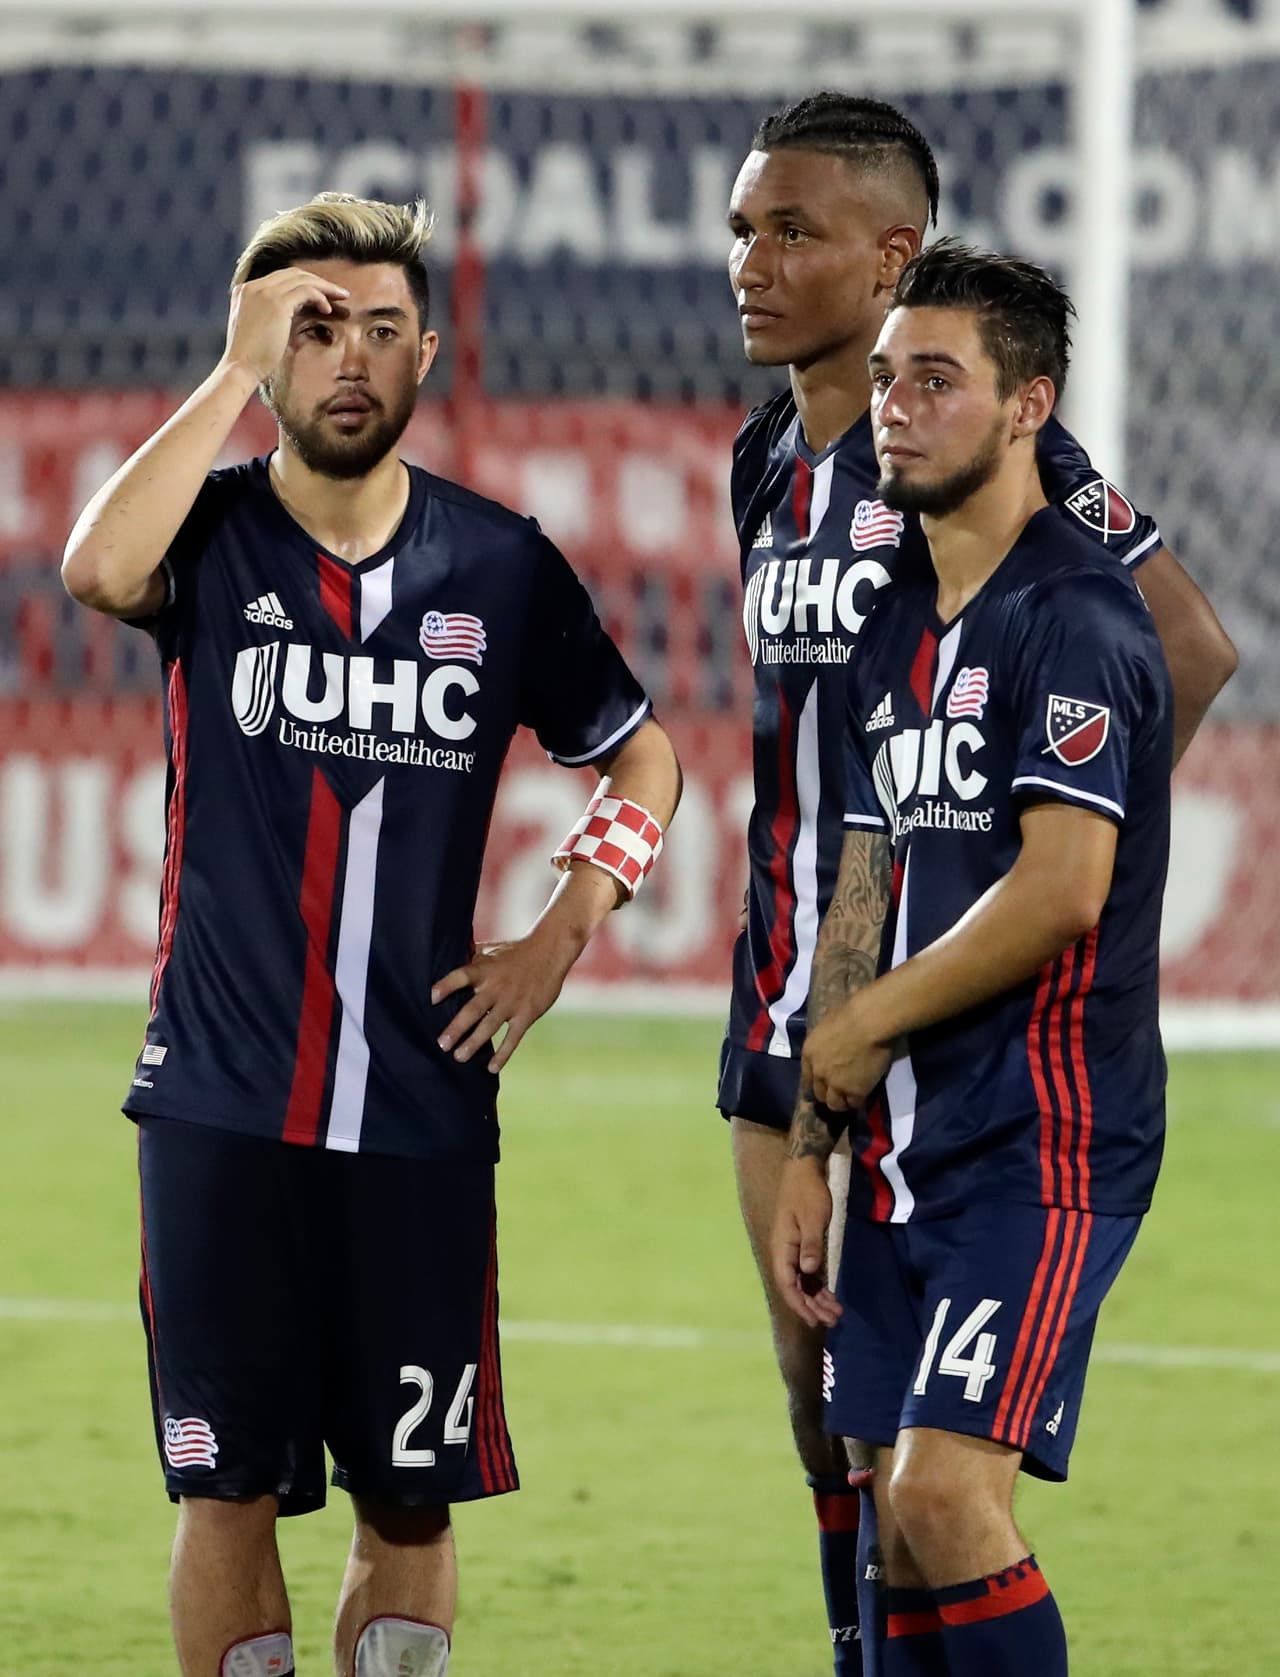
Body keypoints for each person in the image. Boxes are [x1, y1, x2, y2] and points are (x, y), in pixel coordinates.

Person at [61, 192, 681, 1677]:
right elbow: (92, 569)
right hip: (219, 1106)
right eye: (311, 327)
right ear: (266, 349)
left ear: (430, 355)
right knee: (226, 1487)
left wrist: (565, 926)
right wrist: (227, 373)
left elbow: (641, 756)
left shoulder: (502, 566)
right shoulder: (208, 541)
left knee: (412, 1498)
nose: (347, 357)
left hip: (417, 1114)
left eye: (380, 329)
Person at [717, 93, 1235, 1675]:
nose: (748, 260)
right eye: (743, 228)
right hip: (801, 996)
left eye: (788, 229)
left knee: (933, 1479)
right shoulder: (767, 463)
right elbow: (848, 782)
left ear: (892, 259)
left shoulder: (997, 468)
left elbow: (1187, 651)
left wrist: (1045, 863)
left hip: (971, 1036)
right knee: (836, 1434)